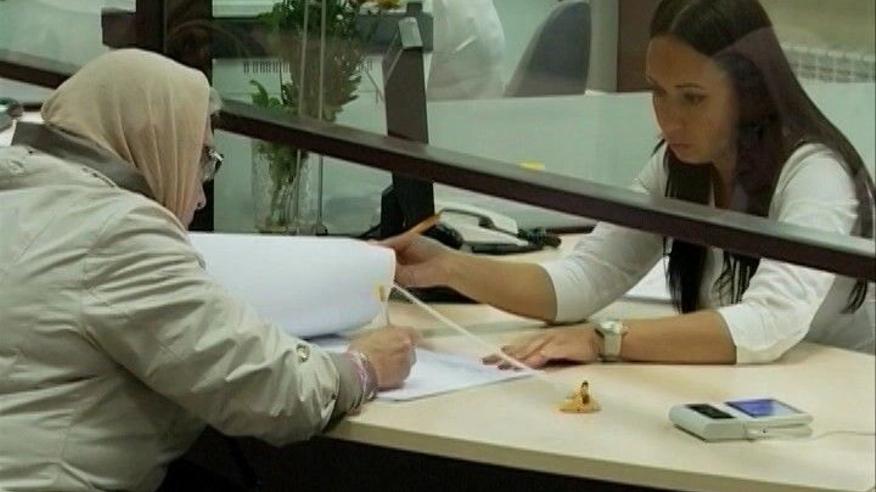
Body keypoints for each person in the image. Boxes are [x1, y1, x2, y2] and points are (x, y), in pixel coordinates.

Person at [0, 49, 417, 491]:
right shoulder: (115, 232)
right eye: (201, 157)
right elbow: (270, 391)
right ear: (155, 141)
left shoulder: (21, 193)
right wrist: (363, 368)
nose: (200, 197)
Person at [385, 0, 875, 367]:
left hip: (838, 411)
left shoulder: (815, 172)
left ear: (749, 91)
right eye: (658, 93)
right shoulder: (679, 164)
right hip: (748, 392)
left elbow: (769, 322)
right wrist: (448, 267)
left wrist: (605, 339)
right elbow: (583, 280)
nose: (669, 120)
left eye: (693, 98)